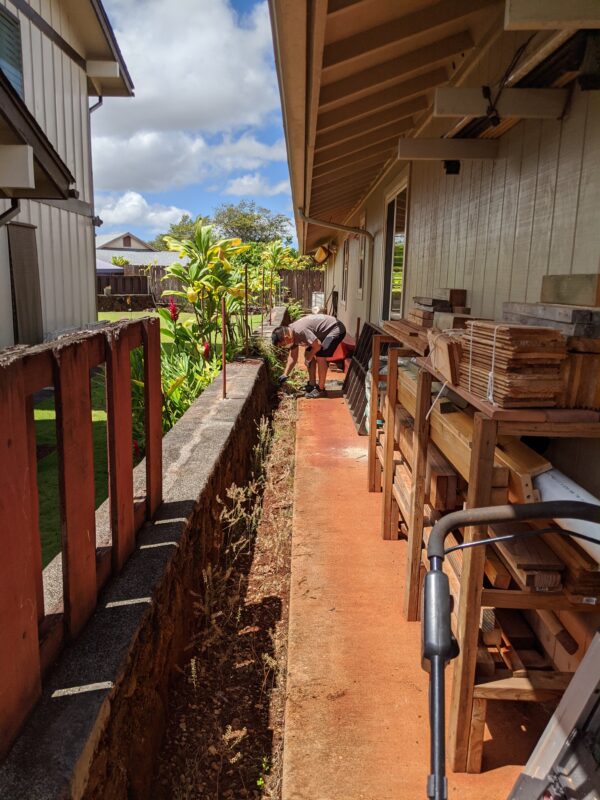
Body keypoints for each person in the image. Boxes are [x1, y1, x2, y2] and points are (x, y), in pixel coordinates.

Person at [271, 313, 346, 398]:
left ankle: (321, 390)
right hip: (322, 333)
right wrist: (285, 374)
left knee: (320, 356)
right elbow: (293, 357)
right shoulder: (291, 334)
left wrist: (309, 358)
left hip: (336, 329)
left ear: (286, 337)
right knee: (308, 353)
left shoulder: (300, 331)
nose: (283, 347)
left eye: (282, 345)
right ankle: (312, 384)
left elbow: (317, 345)